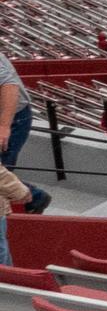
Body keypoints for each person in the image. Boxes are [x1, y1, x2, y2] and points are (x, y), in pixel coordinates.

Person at [0, 51, 51, 215]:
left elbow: (9, 86)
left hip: (13, 118)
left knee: (3, 174)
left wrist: (4, 127)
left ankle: (34, 197)